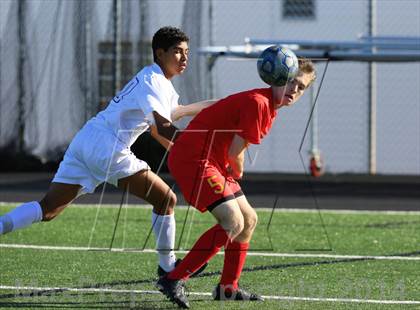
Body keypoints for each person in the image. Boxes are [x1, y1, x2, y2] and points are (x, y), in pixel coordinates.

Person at [0, 26, 213, 277]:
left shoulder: (156, 81)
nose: (184, 58)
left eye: (186, 52)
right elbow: (163, 129)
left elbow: (173, 114)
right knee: (166, 199)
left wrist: (217, 106)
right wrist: (201, 154)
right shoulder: (155, 81)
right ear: (160, 53)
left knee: (48, 209)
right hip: (107, 146)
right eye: (177, 52)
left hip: (86, 140)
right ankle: (168, 269)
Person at [156, 58, 317, 309]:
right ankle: (173, 278)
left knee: (249, 221)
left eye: (302, 87)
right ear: (276, 79)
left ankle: (227, 288)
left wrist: (231, 168)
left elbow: (230, 142)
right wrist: (237, 171)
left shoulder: (266, 104)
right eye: (290, 82)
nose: (295, 90)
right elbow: (235, 154)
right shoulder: (259, 103)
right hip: (194, 157)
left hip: (212, 160)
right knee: (233, 222)